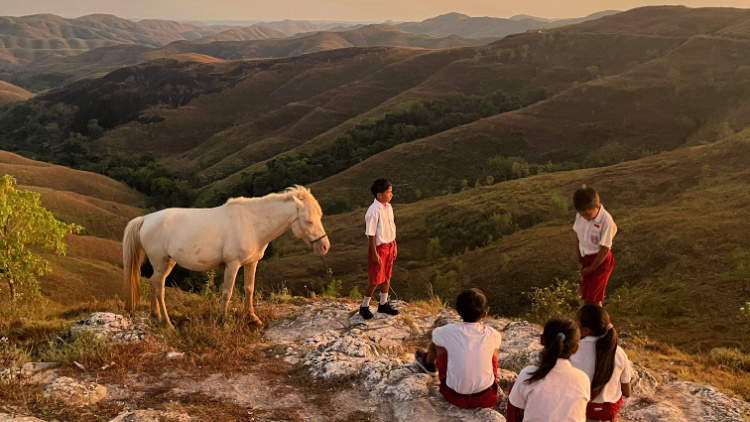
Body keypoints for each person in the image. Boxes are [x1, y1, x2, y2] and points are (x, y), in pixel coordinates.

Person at [414, 288, 503, 408]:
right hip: (486, 396)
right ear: (484, 315)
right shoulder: (493, 334)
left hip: (454, 396)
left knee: (439, 343)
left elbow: (436, 335)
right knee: (492, 352)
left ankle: (428, 364)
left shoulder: (445, 332)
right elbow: (498, 338)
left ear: (458, 312)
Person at [507, 317, 590, 422]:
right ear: (576, 348)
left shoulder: (528, 374)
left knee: (515, 387)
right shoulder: (583, 379)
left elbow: (516, 407)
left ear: (542, 340)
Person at [570, 305, 632, 422]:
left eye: (575, 322)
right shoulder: (618, 352)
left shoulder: (572, 350)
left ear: (586, 330)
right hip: (606, 413)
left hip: (577, 410)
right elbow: (627, 392)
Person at [359, 179, 398, 319]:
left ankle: (383, 304)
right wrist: (374, 253)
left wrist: (394, 245)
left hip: (389, 245)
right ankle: (364, 306)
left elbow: (391, 227)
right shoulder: (373, 211)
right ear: (379, 195)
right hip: (379, 248)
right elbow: (370, 234)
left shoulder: (388, 207)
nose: (391, 195)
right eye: (388, 192)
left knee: (387, 276)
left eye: (391, 192)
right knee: (375, 279)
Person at [573, 186, 617, 306]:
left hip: (600, 261)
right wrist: (580, 261)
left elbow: (604, 249)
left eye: (587, 214)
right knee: (586, 296)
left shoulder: (606, 221)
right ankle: (589, 322)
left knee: (595, 298)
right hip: (586, 258)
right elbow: (578, 237)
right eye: (581, 214)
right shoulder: (580, 215)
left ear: (597, 207)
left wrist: (592, 268)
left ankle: (601, 323)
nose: (584, 217)